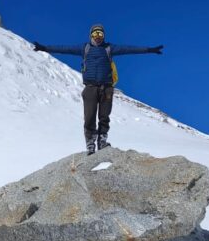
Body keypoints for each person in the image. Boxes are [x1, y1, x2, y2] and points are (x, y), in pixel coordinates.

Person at [33, 24, 163, 154]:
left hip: (106, 88)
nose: (98, 37)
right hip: (90, 88)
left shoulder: (109, 48)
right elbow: (64, 49)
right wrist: (44, 48)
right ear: (91, 35)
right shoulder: (84, 48)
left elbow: (129, 49)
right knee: (89, 117)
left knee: (104, 117)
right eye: (95, 34)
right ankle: (90, 144)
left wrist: (149, 50)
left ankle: (102, 141)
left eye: (100, 34)